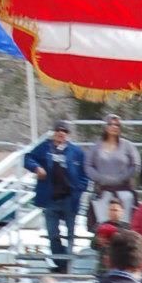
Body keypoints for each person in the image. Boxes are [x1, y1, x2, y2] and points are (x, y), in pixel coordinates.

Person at [25, 117, 88, 273]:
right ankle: (61, 264)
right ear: (54, 132)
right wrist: (37, 168)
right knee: (53, 234)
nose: (61, 133)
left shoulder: (77, 152)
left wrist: (78, 190)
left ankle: (68, 265)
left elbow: (85, 175)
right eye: (58, 130)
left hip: (69, 199)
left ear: (68, 134)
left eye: (65, 131)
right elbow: (27, 158)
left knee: (71, 234)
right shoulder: (44, 148)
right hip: (50, 198)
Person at [84, 114, 141, 226]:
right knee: (103, 225)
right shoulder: (96, 146)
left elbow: (136, 165)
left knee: (124, 226)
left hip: (124, 191)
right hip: (102, 190)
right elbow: (87, 165)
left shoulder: (128, 145)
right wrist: (100, 178)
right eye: (110, 124)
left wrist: (121, 177)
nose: (114, 127)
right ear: (105, 127)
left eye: (117, 125)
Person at [94, 195, 130, 271]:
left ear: (122, 212)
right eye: (110, 210)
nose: (113, 212)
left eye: (115, 210)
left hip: (122, 266)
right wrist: (98, 241)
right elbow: (93, 245)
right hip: (103, 267)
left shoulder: (127, 228)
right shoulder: (100, 226)